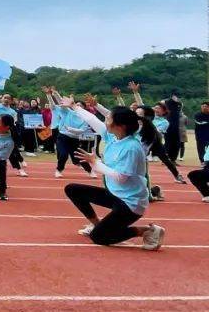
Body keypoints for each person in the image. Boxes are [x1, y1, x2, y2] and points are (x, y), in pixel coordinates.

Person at [59, 98, 164, 250]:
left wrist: (95, 163)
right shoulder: (113, 137)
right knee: (72, 189)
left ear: (120, 126)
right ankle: (96, 224)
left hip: (131, 203)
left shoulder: (131, 148)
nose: (105, 119)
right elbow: (92, 119)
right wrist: (74, 107)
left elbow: (121, 178)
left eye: (109, 118)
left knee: (99, 238)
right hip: (116, 194)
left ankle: (147, 231)